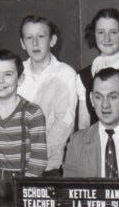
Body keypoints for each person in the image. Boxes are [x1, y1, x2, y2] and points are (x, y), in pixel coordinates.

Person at [0, 49, 47, 200]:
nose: (0, 80)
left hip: (26, 183)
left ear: (20, 79)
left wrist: (25, 190)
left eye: (8, 74)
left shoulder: (33, 112)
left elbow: (39, 158)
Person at [18, 15, 88, 174]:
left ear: (52, 40)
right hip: (17, 162)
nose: (35, 43)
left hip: (50, 165)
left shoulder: (65, 74)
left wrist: (36, 157)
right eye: (29, 38)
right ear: (22, 43)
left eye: (41, 36)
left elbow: (64, 122)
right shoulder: (15, 72)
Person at [79, 8, 119, 124]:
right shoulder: (83, 76)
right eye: (101, 32)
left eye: (113, 32)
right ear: (93, 34)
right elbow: (83, 124)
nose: (107, 38)